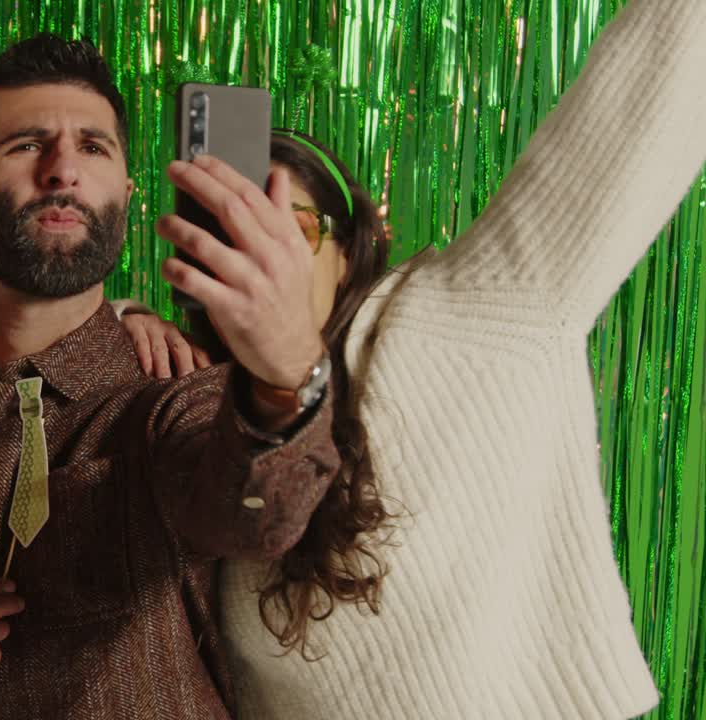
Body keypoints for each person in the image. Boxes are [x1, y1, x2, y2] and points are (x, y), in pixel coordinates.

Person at [129, 0, 706, 715]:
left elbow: (663, 71)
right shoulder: (193, 407)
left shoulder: (475, 309)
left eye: (292, 228)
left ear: (345, 256)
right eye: (231, 234)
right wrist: (119, 317)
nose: (263, 253)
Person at [0, 34, 341, 719]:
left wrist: (284, 372)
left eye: (93, 147)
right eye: (26, 144)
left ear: (123, 199)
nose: (64, 169)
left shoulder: (176, 395)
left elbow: (259, 515)